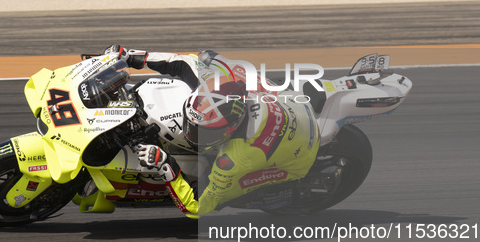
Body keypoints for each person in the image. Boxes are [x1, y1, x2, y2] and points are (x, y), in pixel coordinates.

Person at [103, 45, 320, 218]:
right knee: (207, 57)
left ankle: (264, 192)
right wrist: (131, 57)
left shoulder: (237, 157)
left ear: (230, 130)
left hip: (301, 153)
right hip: (289, 101)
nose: (190, 135)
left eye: (203, 133)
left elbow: (196, 208)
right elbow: (183, 63)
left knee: (224, 193)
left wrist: (166, 165)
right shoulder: (218, 84)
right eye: (192, 126)